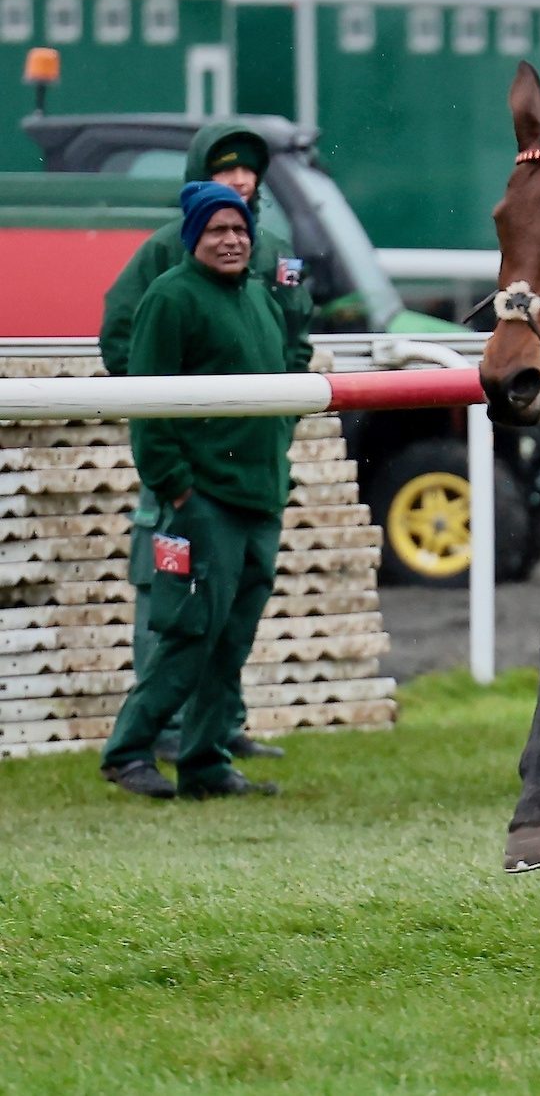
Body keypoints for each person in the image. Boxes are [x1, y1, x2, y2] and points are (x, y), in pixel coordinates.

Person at [99, 121, 311, 764]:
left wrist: (275, 424)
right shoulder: (165, 260)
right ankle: (149, 740)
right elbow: (126, 344)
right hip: (188, 477)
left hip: (255, 477)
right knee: (181, 611)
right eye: (225, 169)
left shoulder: (276, 256)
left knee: (233, 622)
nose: (240, 181)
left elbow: (296, 342)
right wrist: (180, 447)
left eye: (248, 169)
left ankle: (213, 741)